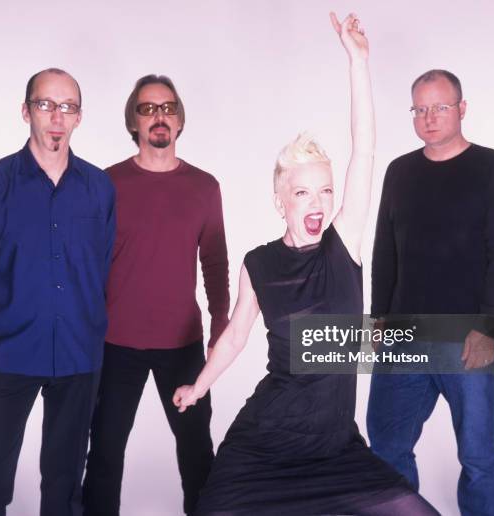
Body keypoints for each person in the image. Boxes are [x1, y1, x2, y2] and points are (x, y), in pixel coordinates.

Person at [173, 13, 439, 516]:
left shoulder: (344, 248)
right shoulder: (259, 263)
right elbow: (234, 336)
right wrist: (198, 386)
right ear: (281, 200)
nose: (316, 202)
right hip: (266, 443)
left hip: (335, 448)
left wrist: (358, 61)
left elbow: (365, 151)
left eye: (324, 190)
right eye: (301, 192)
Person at [0, 68, 116, 516]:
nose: (56, 117)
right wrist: (6, 318)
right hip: (11, 351)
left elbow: (101, 264)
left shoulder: (99, 188)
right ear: (26, 111)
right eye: (46, 105)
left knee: (66, 484)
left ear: (79, 117)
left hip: (79, 356)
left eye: (67, 107)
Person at [367, 69, 494, 516]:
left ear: (461, 109)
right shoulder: (400, 172)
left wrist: (489, 326)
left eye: (440, 107)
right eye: (420, 109)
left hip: (468, 337)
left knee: (478, 453)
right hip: (405, 334)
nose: (429, 118)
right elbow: (385, 252)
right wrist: (379, 318)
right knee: (386, 444)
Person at [82, 74, 229, 516]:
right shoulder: (106, 184)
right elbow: (88, 264)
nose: (158, 116)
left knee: (198, 453)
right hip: (115, 344)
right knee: (104, 455)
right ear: (134, 121)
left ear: (180, 119)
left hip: (182, 345)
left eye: (167, 108)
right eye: (147, 109)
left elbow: (216, 265)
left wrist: (220, 331)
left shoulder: (204, 187)